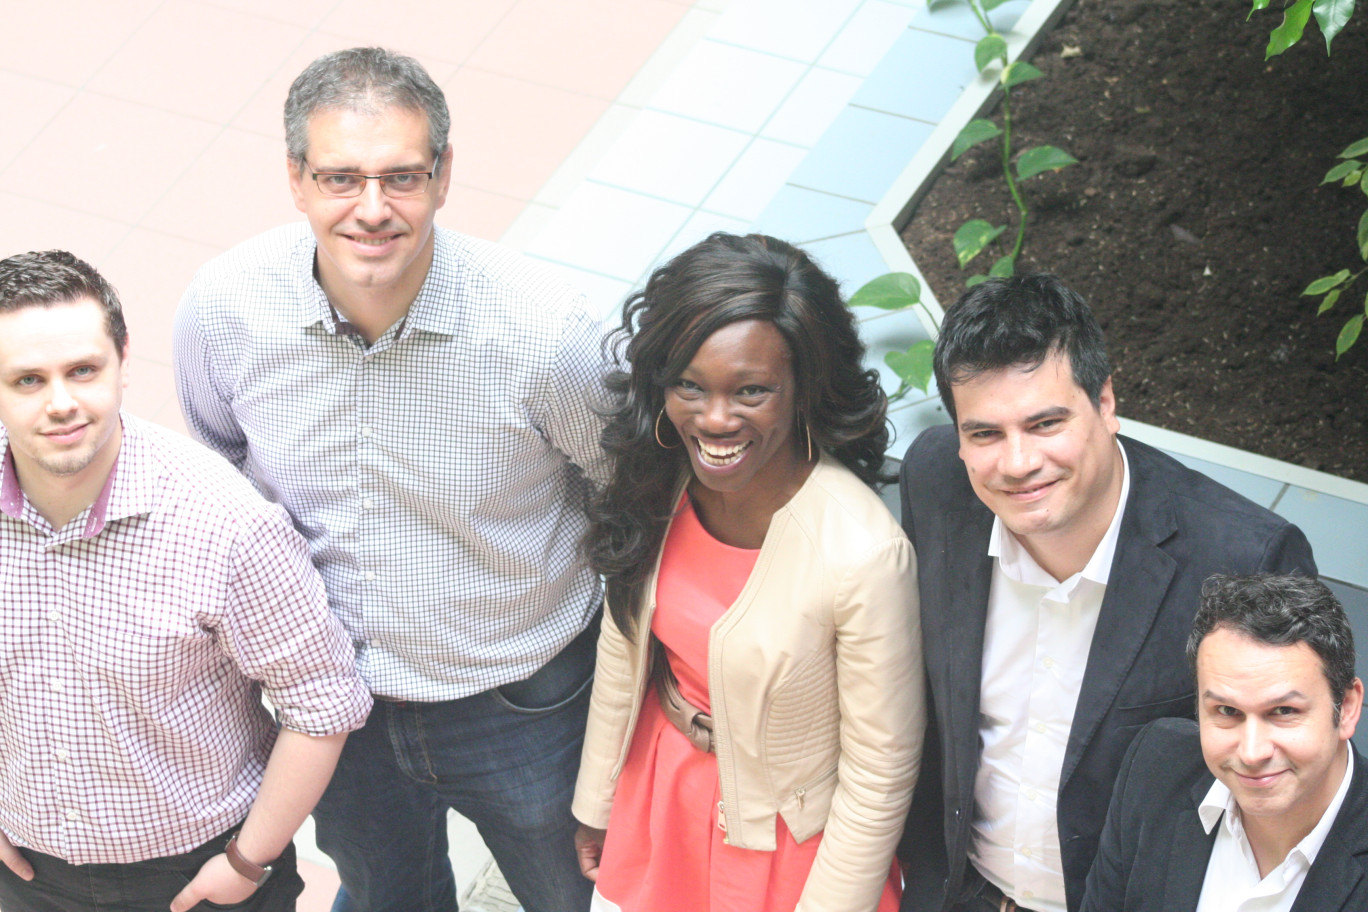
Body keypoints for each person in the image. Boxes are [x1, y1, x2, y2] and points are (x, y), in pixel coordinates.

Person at [173, 48, 607, 912]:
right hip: (335, 713)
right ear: (295, 180)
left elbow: (626, 493)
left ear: (445, 177)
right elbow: (219, 475)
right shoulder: (225, 307)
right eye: (341, 178)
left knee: (568, 896)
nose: (372, 210)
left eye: (401, 177)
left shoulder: (548, 334)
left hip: (523, 698)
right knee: (383, 898)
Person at [897, 274, 1318, 912]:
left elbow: (1296, 785)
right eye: (984, 433)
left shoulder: (1243, 559)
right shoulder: (937, 480)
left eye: (1045, 423)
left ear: (1106, 402)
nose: (1016, 463)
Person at [0, 250, 372, 912]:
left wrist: (245, 861)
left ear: (122, 362)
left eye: (82, 371)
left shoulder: (225, 524)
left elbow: (323, 699)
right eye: (27, 380)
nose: (61, 404)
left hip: (199, 877)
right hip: (25, 875)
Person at [572, 232, 924, 912]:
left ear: (804, 386)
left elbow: (879, 777)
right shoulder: (661, 476)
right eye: (689, 387)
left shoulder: (864, 552)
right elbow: (625, 647)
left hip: (788, 853)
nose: (715, 420)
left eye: (752, 391)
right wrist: (597, 798)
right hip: (659, 796)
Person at [1083, 573, 1367, 912]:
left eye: (1283, 711)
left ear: (1347, 708)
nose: (1251, 752)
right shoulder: (1154, 770)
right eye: (1227, 711)